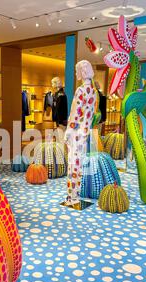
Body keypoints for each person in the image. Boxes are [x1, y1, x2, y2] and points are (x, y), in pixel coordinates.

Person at [64, 61, 96, 206]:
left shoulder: (81, 91)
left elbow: (75, 114)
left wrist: (68, 131)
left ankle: (72, 197)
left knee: (72, 164)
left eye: (77, 71)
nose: (76, 73)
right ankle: (75, 194)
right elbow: (91, 114)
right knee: (78, 164)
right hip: (85, 132)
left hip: (76, 132)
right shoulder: (93, 92)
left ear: (82, 72)